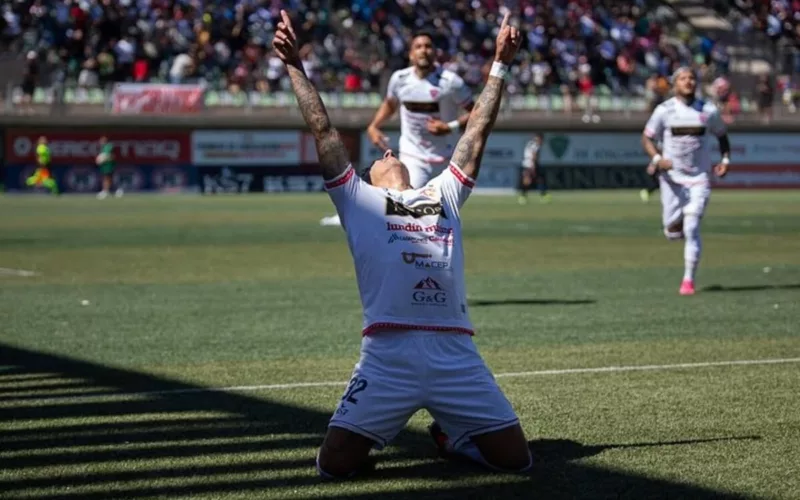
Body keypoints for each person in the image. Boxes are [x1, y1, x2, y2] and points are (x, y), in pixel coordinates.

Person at [273, 9, 531, 478]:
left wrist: (499, 65)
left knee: (517, 461)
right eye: (378, 155)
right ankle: (393, 428)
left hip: (455, 352)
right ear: (368, 176)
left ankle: (453, 438)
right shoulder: (357, 200)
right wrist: (294, 64)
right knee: (334, 467)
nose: (388, 152)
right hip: (388, 355)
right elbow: (324, 131)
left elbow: (476, 133)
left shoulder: (443, 192)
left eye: (391, 151)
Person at [319, 30, 475, 227]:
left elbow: (476, 112)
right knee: (404, 205)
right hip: (413, 155)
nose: (423, 50)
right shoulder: (400, 79)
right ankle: (351, 214)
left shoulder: (451, 82)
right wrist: (374, 126)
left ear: (435, 53)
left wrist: (450, 127)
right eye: (418, 47)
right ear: (411, 54)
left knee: (437, 215)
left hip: (445, 157)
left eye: (428, 46)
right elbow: (391, 104)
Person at [641, 67, 731, 296]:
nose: (688, 81)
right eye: (683, 78)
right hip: (672, 180)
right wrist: (658, 159)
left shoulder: (708, 110)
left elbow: (722, 135)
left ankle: (688, 280)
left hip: (699, 178)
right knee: (672, 231)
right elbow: (647, 137)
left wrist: (725, 159)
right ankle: (678, 224)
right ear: (674, 84)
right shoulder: (665, 111)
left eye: (692, 78)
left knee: (691, 227)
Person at [518, 132, 550, 204]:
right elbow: (534, 155)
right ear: (539, 138)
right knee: (535, 180)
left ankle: (523, 197)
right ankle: (543, 196)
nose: (542, 142)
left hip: (526, 164)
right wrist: (534, 165)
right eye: (542, 139)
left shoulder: (530, 143)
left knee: (532, 180)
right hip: (531, 164)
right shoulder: (536, 145)